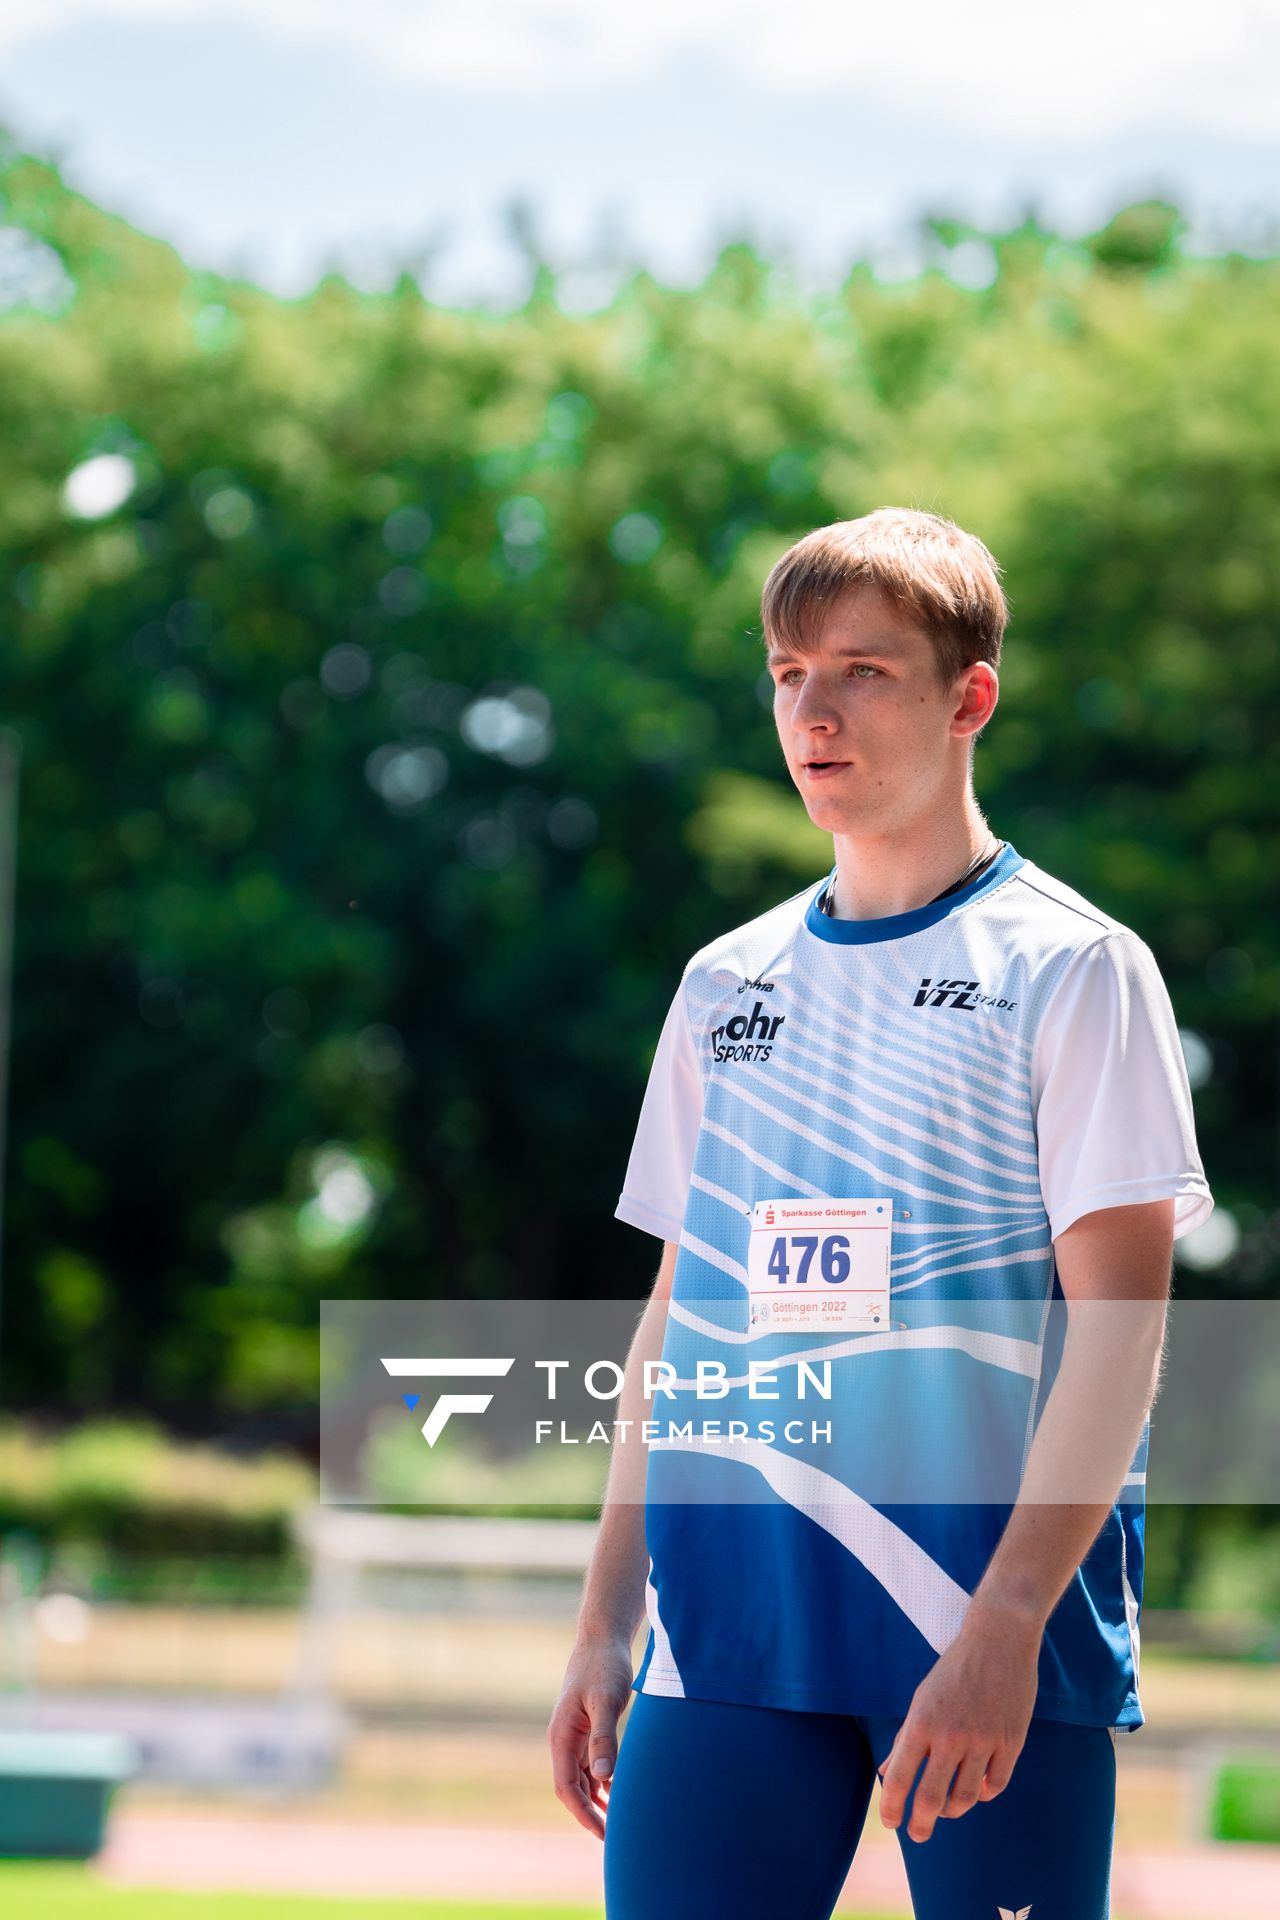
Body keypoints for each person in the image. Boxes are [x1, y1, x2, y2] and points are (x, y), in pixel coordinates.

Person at [547, 507, 1214, 1920]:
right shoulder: (725, 982)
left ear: (968, 696)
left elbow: (1124, 1330)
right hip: (726, 1643)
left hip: (981, 1640)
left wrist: (1013, 1621)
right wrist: (608, 1618)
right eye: (788, 674)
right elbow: (676, 1318)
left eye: (863, 670)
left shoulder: (1077, 969)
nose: (813, 711)